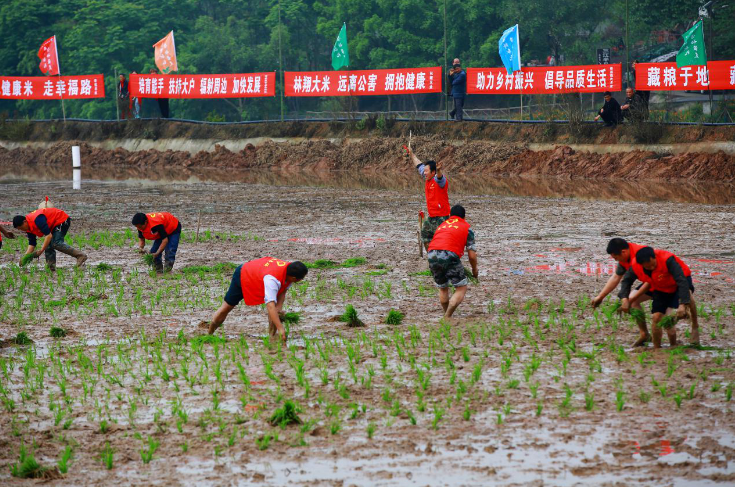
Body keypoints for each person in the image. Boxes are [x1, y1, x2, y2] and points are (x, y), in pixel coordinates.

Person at [206, 257, 308, 343]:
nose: (301, 280)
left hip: (257, 276)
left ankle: (271, 338)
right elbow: (270, 306)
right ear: (294, 278)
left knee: (276, 312)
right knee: (226, 307)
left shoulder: (289, 272)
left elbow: (282, 292)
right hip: (243, 275)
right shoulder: (272, 279)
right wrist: (281, 328)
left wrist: (279, 309)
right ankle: (209, 334)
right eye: (301, 278)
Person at [619, 246, 699, 348]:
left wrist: (683, 304)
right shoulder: (635, 266)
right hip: (660, 286)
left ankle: (695, 325)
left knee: (687, 295)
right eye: (648, 267)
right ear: (642, 265)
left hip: (680, 278)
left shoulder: (667, 260)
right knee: (657, 318)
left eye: (653, 265)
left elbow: (681, 281)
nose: (652, 268)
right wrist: (625, 299)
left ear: (655, 257)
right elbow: (626, 281)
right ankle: (657, 349)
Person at [591, 238, 653, 346]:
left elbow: (651, 280)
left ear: (623, 252)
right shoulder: (624, 257)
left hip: (664, 282)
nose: (616, 261)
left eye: (616, 258)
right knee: (632, 302)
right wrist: (600, 297)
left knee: (662, 316)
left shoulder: (640, 256)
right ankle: (645, 334)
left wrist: (629, 300)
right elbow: (617, 277)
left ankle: (693, 326)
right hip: (649, 283)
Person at [427, 205, 478, 320]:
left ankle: (447, 315)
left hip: (432, 254)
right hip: (449, 254)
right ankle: (447, 316)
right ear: (464, 217)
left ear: (450, 216)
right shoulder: (466, 228)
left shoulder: (442, 225)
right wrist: (475, 270)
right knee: (461, 288)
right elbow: (472, 256)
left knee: (443, 287)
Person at [12, 207, 88, 271]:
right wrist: (25, 257)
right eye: (20, 230)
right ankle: (51, 267)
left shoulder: (37, 220)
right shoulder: (28, 228)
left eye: (21, 228)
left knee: (56, 243)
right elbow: (32, 244)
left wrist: (41, 251)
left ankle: (80, 255)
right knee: (48, 244)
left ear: (24, 221)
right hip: (53, 225)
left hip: (61, 220)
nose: (22, 230)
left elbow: (48, 236)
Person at [405, 148, 450, 250]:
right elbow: (418, 164)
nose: (424, 173)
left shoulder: (440, 181)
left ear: (433, 172)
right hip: (431, 216)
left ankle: (443, 258)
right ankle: (432, 257)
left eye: (426, 171)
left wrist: (439, 170)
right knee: (425, 235)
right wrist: (412, 154)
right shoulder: (427, 177)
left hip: (442, 217)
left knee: (442, 240)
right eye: (424, 171)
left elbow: (439, 177)